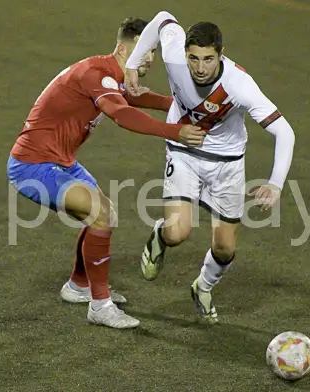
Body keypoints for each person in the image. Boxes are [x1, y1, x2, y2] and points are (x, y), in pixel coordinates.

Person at [8, 17, 206, 329]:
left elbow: (132, 96)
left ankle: (78, 286)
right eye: (144, 51)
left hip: (61, 161)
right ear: (122, 48)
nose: (151, 59)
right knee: (99, 214)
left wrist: (179, 105)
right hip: (33, 165)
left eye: (153, 51)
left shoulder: (109, 74)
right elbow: (122, 113)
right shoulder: (96, 73)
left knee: (106, 215)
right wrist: (174, 130)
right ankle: (100, 306)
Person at [123, 11, 297, 324]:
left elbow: (284, 131)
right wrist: (132, 64)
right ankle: (160, 237)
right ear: (185, 53)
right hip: (184, 151)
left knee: (225, 249)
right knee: (178, 233)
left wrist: (275, 183)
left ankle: (202, 287)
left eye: (208, 59)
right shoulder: (175, 55)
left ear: (221, 55)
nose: (200, 68)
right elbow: (162, 19)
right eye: (194, 58)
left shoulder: (240, 86)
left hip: (227, 164)